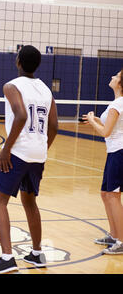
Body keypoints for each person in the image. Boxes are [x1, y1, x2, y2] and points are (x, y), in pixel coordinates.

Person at [0, 45, 58, 274]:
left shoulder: (11, 86)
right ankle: (36, 253)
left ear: (18, 62)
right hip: (38, 154)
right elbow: (54, 126)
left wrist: (6, 149)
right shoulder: (46, 90)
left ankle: (7, 258)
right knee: (30, 202)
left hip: (18, 152)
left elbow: (21, 115)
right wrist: (41, 148)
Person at [82, 68, 123, 255]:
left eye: (116, 76)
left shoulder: (118, 104)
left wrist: (92, 122)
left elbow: (106, 132)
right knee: (105, 193)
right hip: (114, 151)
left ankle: (121, 241)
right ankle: (114, 235)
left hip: (119, 152)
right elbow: (111, 125)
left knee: (113, 196)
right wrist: (96, 119)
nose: (112, 77)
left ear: (121, 83)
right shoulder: (116, 103)